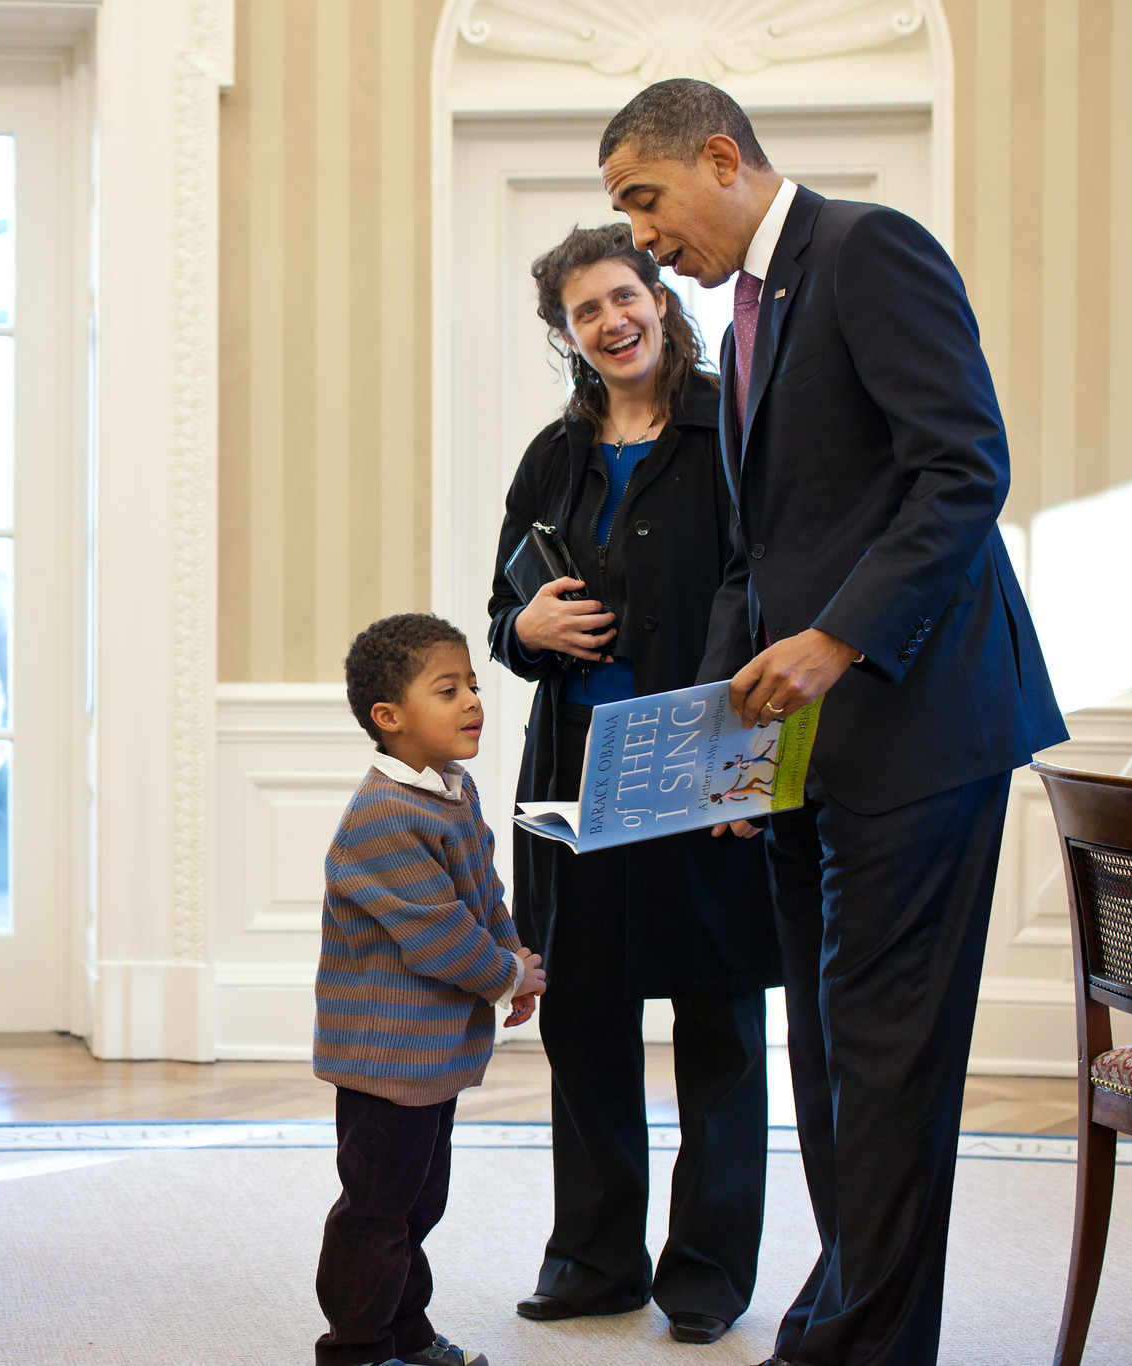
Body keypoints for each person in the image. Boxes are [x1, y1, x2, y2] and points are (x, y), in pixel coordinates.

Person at [598, 79, 1067, 1366]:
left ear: (719, 157)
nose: (639, 237)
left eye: (643, 198)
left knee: (884, 1052)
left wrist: (840, 638)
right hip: (805, 754)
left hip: (919, 726)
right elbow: (759, 556)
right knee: (824, 1046)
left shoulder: (868, 251)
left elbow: (962, 466)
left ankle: (864, 1341)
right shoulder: (749, 310)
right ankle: (842, 1303)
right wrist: (716, 745)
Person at [486, 224, 781, 1347]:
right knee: (587, 1018)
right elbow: (499, 620)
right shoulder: (548, 457)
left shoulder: (733, 426)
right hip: (570, 774)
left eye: (624, 297)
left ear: (658, 298)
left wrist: (741, 764)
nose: (610, 322)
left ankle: (705, 1273)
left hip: (703, 764)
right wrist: (524, 624)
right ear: (565, 334)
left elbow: (767, 585)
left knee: (717, 1024)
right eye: (584, 312)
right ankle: (593, 1259)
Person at [314, 613, 547, 1366]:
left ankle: (404, 1335)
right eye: (448, 690)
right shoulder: (384, 816)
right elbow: (439, 932)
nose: (473, 701)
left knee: (418, 1205)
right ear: (390, 718)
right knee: (376, 1212)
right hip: (385, 1057)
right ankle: (355, 1348)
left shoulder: (452, 789)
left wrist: (510, 952)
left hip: (432, 1054)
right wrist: (505, 972)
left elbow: (481, 891)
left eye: (473, 685)